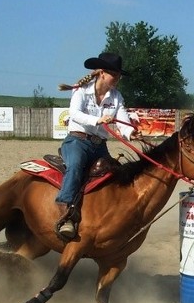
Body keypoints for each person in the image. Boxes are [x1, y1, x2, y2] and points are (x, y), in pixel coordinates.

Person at [55, 52, 139, 240]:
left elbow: (123, 119)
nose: (117, 79)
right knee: (75, 166)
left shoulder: (116, 97)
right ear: (102, 73)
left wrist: (131, 132)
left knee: (117, 174)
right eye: (114, 75)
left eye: (118, 76)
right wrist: (98, 119)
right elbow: (74, 114)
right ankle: (65, 212)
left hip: (99, 146)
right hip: (77, 141)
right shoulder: (81, 90)